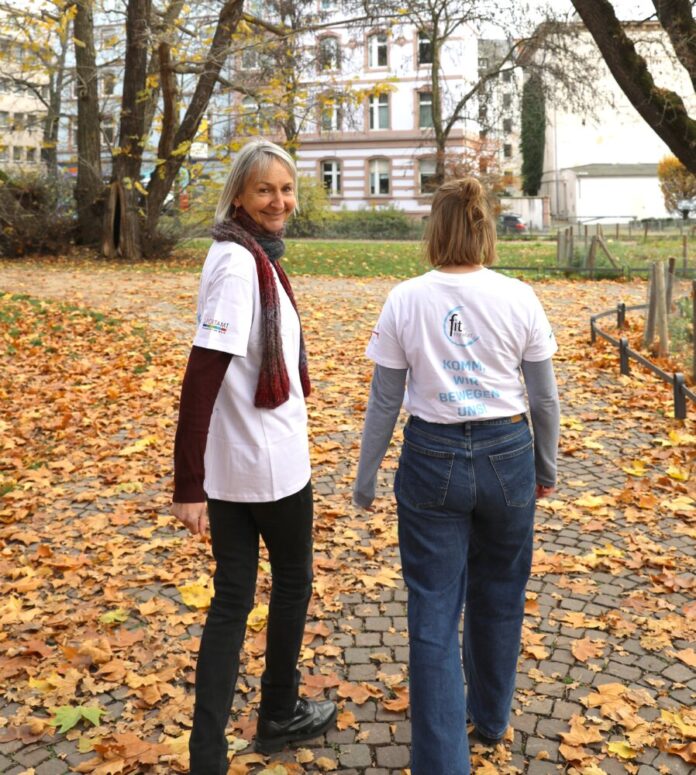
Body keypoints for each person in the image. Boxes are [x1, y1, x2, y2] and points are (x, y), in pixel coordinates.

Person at [353, 177, 560, 775]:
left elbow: (385, 401)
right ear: (485, 228)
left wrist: (366, 476)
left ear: (434, 230)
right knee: (500, 595)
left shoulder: (405, 298)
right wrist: (545, 467)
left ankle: (444, 763)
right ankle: (491, 718)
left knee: (434, 609)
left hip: (431, 458)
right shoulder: (520, 296)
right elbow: (544, 401)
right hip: (507, 454)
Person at [171, 139, 336, 775]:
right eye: (265, 190)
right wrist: (188, 483)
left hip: (237, 462)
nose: (280, 201)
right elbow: (202, 372)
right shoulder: (242, 268)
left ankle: (208, 755)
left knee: (233, 596)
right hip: (266, 465)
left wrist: (200, 475)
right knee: (289, 582)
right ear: (239, 193)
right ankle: (277, 715)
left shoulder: (238, 253)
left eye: (287, 189)